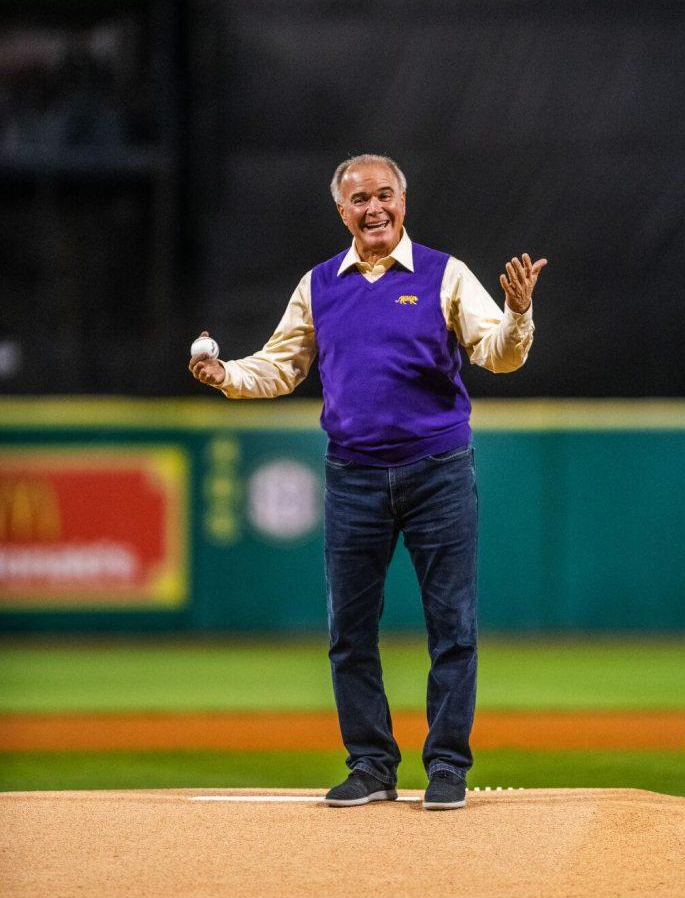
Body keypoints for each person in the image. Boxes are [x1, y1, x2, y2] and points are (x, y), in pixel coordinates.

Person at [189, 154, 546, 810]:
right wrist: (226, 377)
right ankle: (372, 767)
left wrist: (518, 314)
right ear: (342, 211)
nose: (374, 208)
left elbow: (497, 353)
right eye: (360, 199)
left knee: (453, 629)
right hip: (353, 476)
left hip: (438, 472)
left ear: (403, 202)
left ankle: (446, 770)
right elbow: (281, 367)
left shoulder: (445, 275)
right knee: (349, 633)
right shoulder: (320, 284)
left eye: (385, 195)